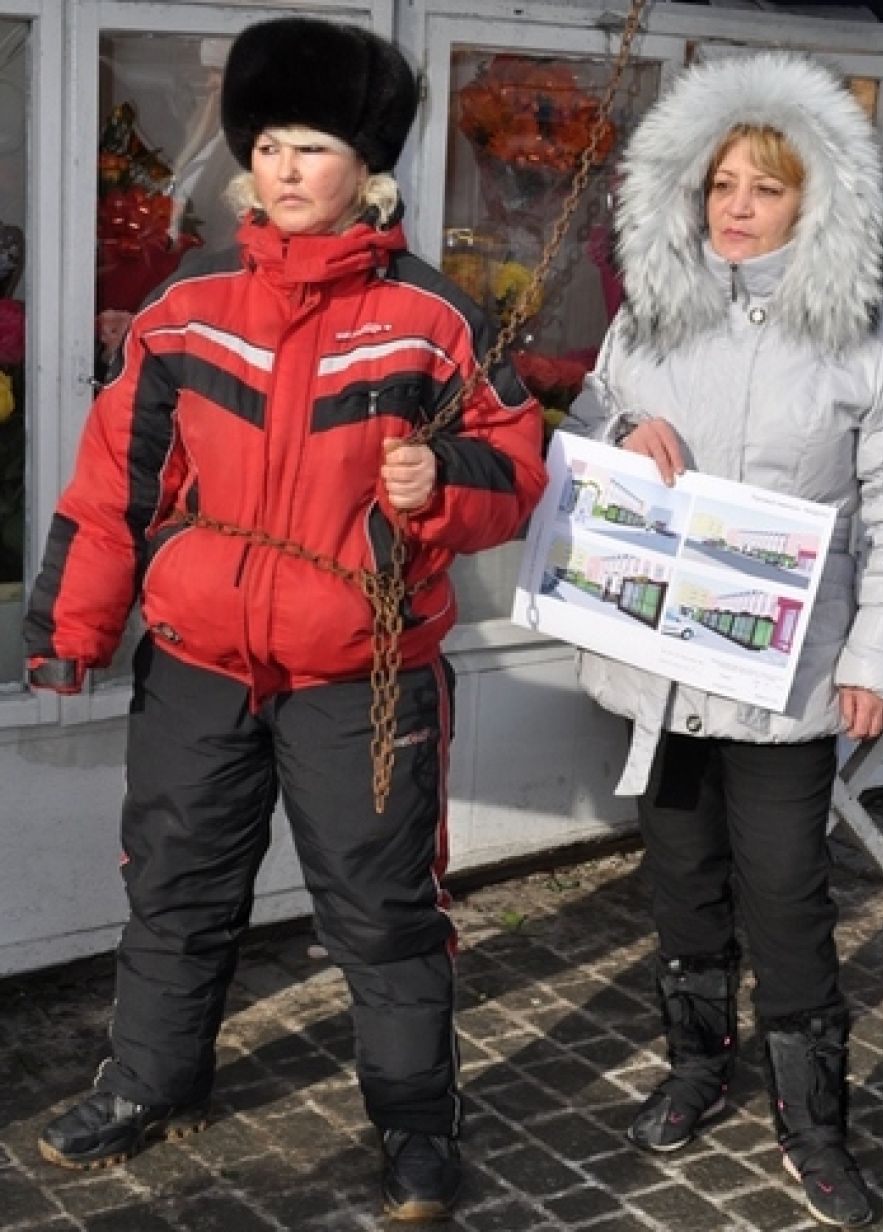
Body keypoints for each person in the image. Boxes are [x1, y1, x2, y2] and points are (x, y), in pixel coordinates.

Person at [23, 16, 546, 1223]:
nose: (286, 170)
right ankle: (152, 1079)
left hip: (357, 680)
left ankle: (416, 1124)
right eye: (267, 146)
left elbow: (517, 470)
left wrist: (441, 484)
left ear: (366, 166)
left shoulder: (434, 318)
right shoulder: (188, 303)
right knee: (173, 885)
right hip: (200, 664)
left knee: (384, 912)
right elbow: (119, 477)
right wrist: (73, 628)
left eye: (313, 147)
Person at [575, 52, 883, 1229]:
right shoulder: (649, 316)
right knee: (680, 879)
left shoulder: (869, 337)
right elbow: (584, 429)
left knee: (786, 895)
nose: (737, 206)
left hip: (787, 677)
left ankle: (815, 1124)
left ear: (813, 199)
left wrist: (878, 654)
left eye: (764, 187)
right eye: (721, 182)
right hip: (663, 663)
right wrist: (626, 424)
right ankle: (695, 1066)